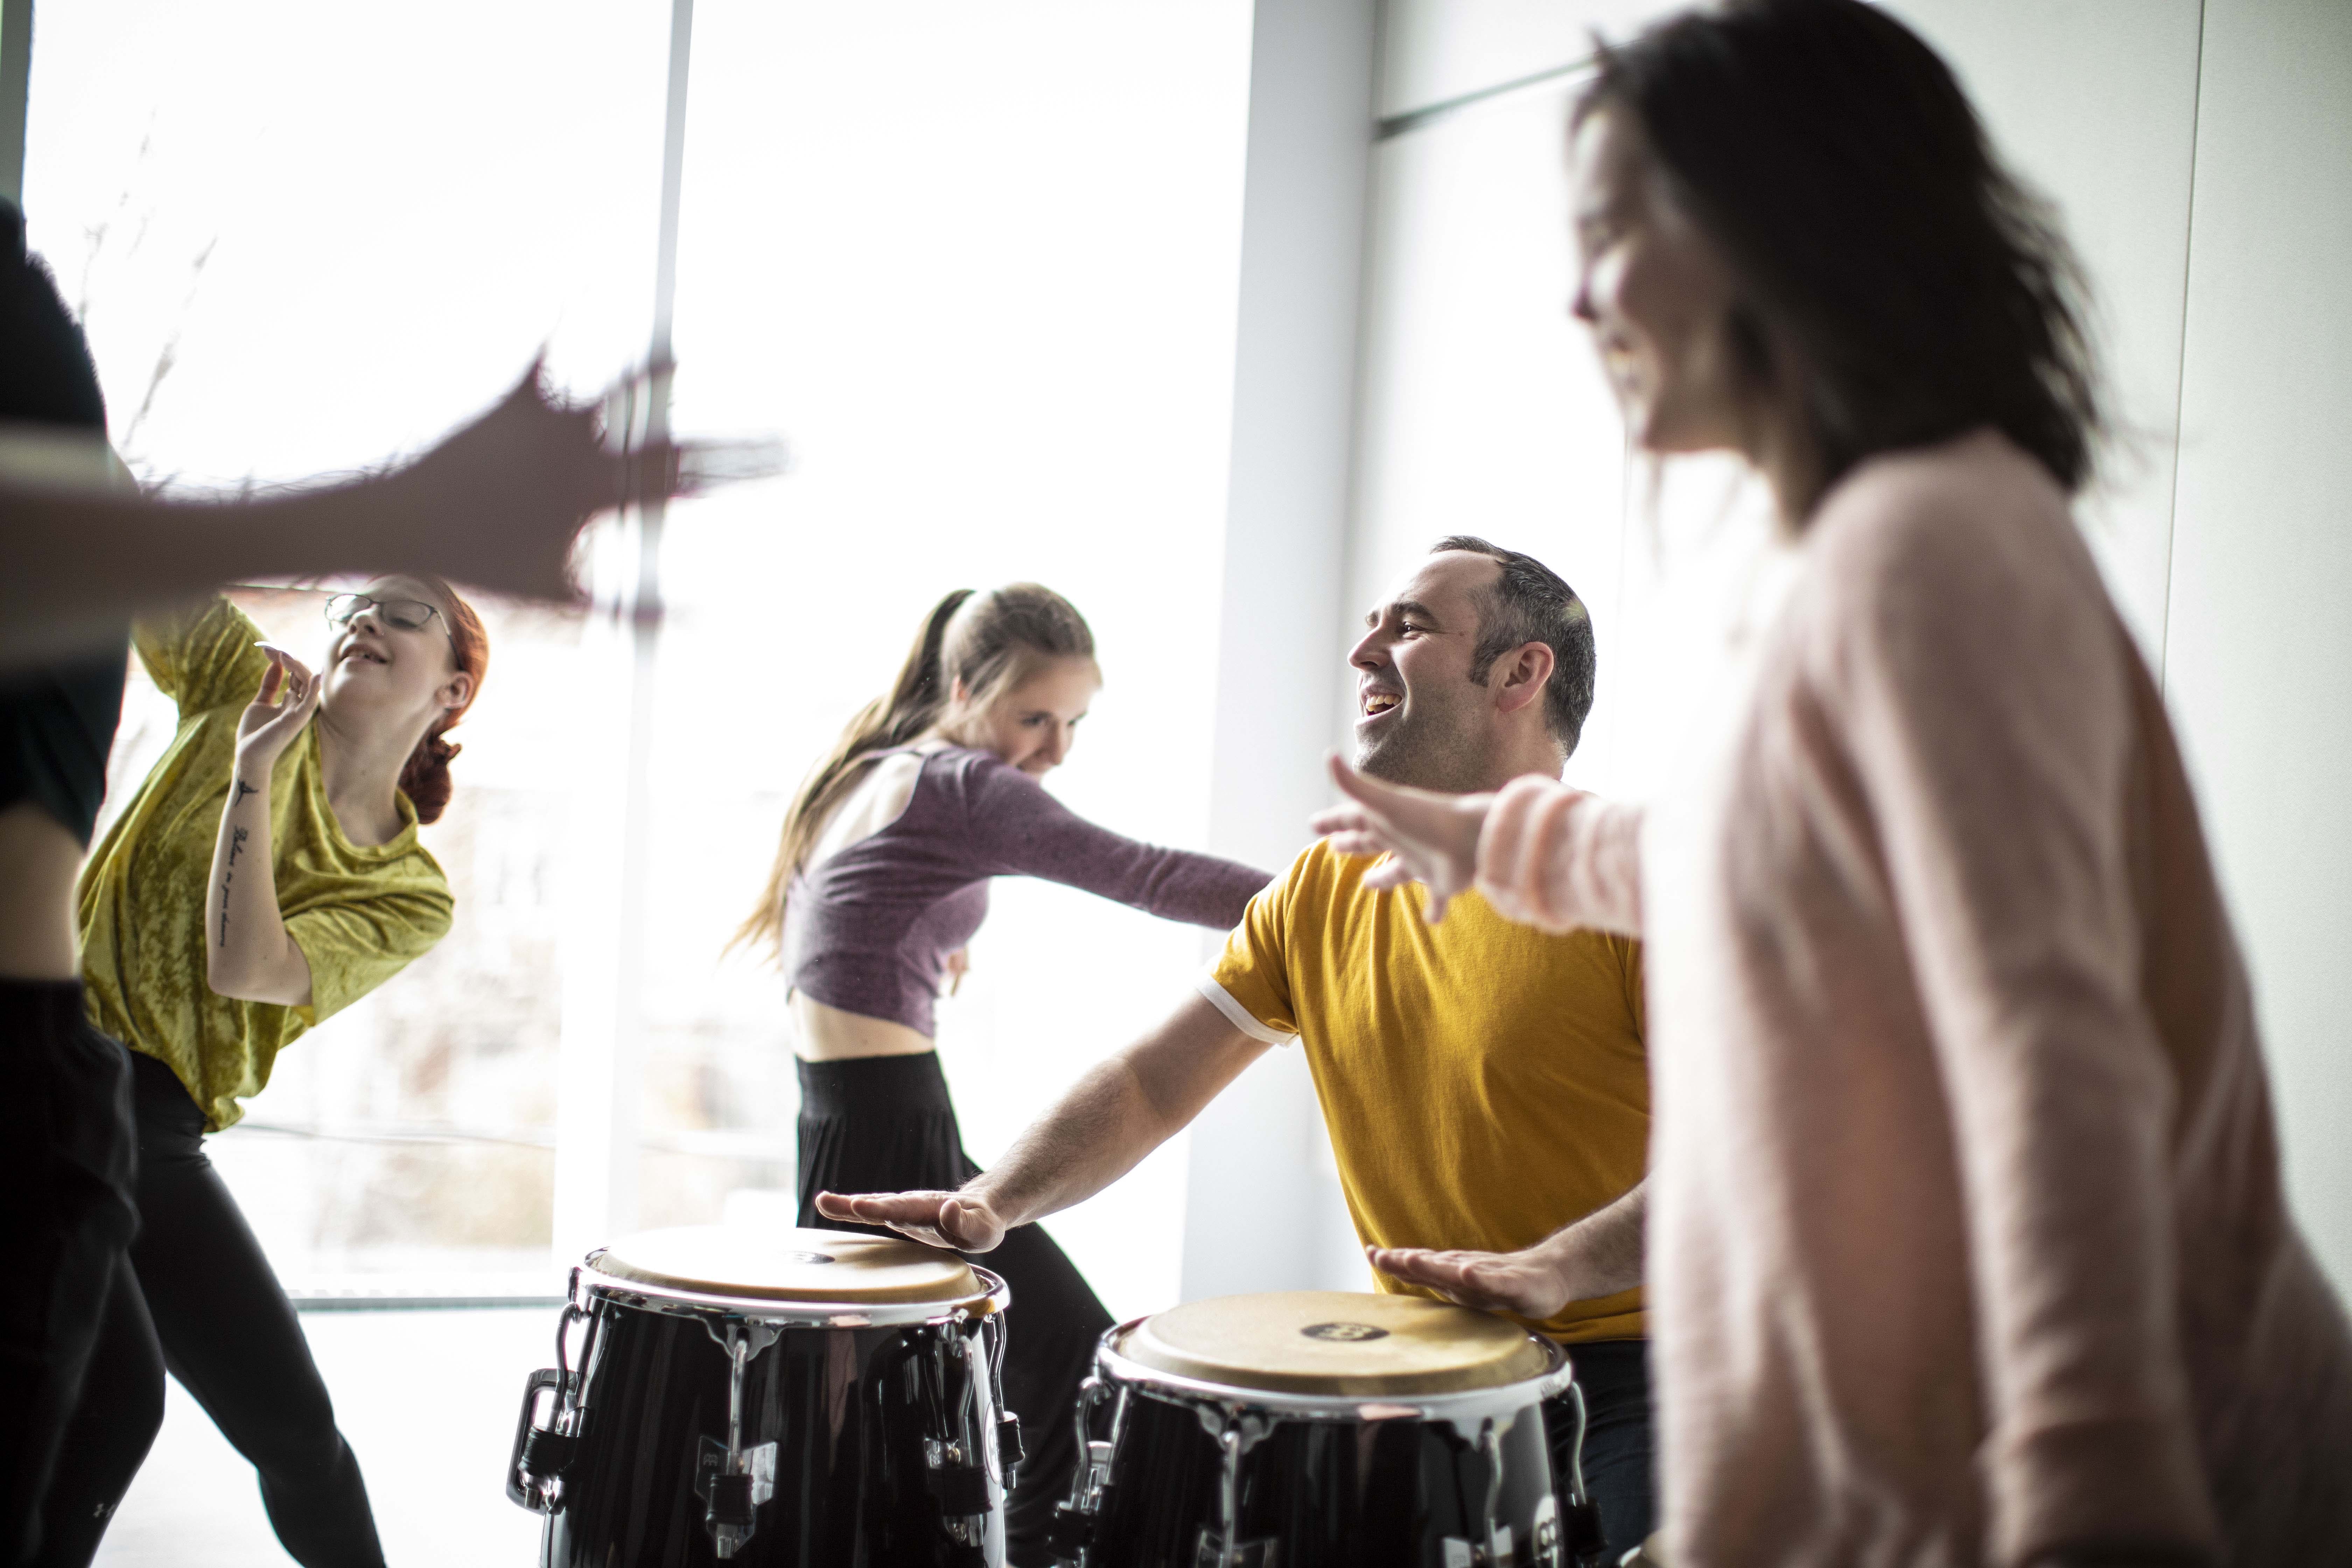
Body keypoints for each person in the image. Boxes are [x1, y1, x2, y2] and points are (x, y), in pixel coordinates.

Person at [1309, 4, 2352, 1565]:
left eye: (1616, 229)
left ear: (1776, 221)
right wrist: (1502, 841)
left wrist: (2093, 1479)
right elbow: (1768, 858)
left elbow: (2054, 1058)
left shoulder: (1931, 548)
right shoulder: (1861, 557)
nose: (1582, 290)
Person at [819, 540, 1659, 1561]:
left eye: (1410, 626)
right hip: (1441, 1371)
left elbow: (1754, 1166)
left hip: (1647, 1369)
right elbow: (1152, 1081)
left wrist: (1560, 1267)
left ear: (1523, 673)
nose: (1365, 651)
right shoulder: (1322, 888)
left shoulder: (1636, 885)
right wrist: (996, 1199)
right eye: (1373, 623)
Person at [731, 583, 1271, 1567]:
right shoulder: (963, 789)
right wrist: (1340, 905)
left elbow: (850, 930)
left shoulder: (872, 771)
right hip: (896, 1132)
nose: (1055, 750)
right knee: (1067, 1378)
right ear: (964, 684)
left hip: (844, 1127)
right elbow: (1146, 874)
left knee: (914, 1423)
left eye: (1074, 722)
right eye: (1035, 717)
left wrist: (937, 938)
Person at [35, 575, 489, 1567]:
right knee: (115, 1403)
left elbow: (245, 966)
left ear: (453, 691)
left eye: (403, 614)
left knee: (297, 1438)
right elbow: (130, 554)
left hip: (156, 1130)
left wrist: (252, 776)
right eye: (352, 609)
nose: (365, 620)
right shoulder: (241, 680)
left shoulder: (407, 891)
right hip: (46, 1075)